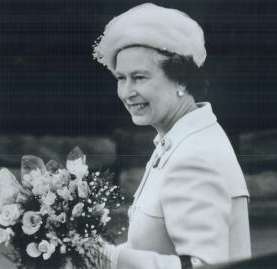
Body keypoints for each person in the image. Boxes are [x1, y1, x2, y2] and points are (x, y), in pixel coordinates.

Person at [92, 3, 251, 269]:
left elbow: (203, 265)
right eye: (121, 78)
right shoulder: (180, 139)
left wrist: (108, 259)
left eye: (139, 77)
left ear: (180, 80)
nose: (126, 92)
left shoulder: (194, 156)